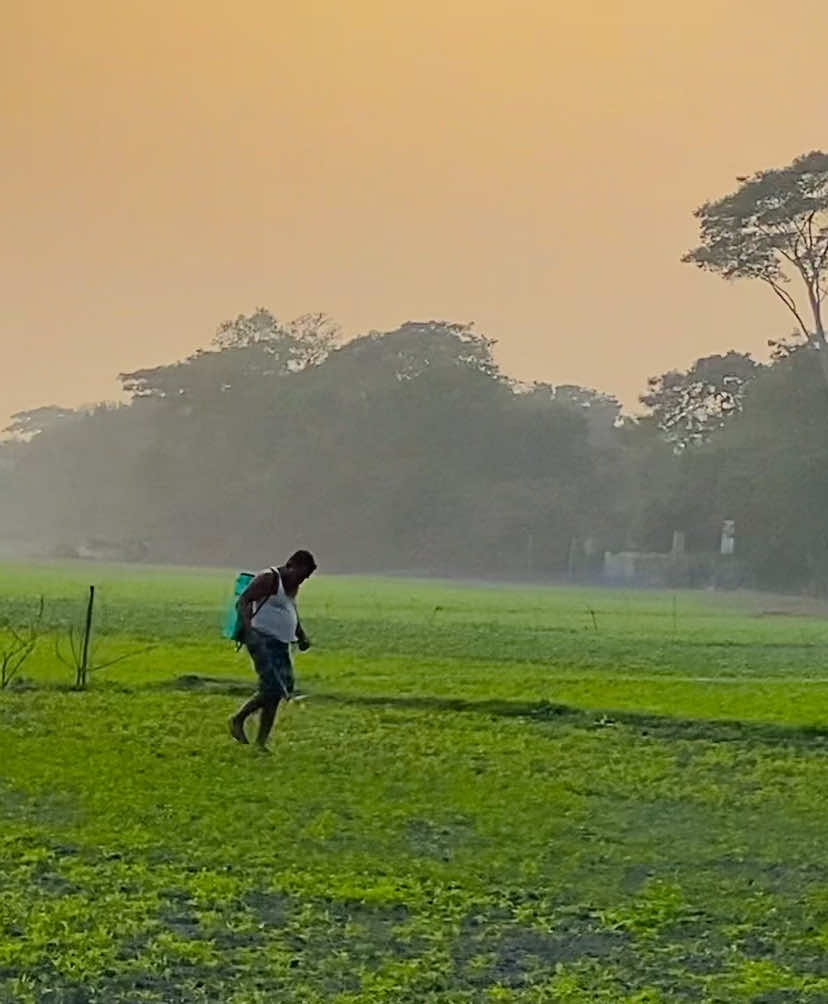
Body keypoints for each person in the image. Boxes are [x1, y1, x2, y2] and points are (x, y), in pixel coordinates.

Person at [228, 549, 316, 752]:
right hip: (262, 640)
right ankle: (238, 719)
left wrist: (301, 635)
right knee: (274, 688)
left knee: (281, 689)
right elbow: (243, 601)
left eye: (305, 578)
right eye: (301, 575)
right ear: (291, 565)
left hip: (281, 643)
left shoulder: (292, 585)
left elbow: (291, 609)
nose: (302, 580)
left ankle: (261, 743)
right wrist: (250, 632)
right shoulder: (269, 578)